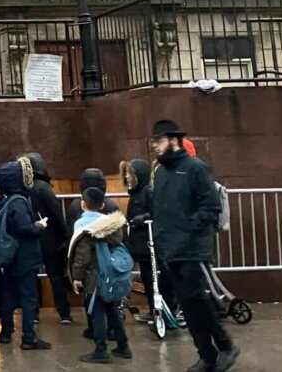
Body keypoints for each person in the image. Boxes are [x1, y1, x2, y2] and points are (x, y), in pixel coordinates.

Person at [151, 120, 240, 372]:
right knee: (188, 306)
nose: (155, 145)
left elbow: (211, 207)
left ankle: (225, 345)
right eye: (154, 141)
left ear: (174, 140)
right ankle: (206, 355)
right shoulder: (161, 173)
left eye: (159, 140)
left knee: (198, 301)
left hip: (192, 248)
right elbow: (161, 209)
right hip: (170, 250)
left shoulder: (195, 168)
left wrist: (189, 229)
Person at [68, 187, 133, 365]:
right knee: (112, 310)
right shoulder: (111, 224)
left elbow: (82, 254)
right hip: (110, 273)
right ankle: (123, 346)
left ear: (83, 204)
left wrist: (77, 277)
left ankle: (101, 349)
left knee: (97, 312)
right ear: (103, 205)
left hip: (93, 276)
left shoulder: (82, 226)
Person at [0, 160, 52, 350]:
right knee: (29, 297)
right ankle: (29, 337)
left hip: (11, 257)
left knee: (10, 295)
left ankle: (6, 332)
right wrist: (39, 226)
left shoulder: (7, 200)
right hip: (24, 257)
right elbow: (24, 229)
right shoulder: (19, 202)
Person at [19, 152, 73, 324]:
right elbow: (56, 213)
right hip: (49, 239)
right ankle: (64, 313)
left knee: (31, 278)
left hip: (30, 238)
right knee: (55, 276)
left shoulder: (21, 187)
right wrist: (64, 234)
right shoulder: (43, 187)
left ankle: (33, 314)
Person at [121, 157, 178, 321]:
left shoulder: (147, 192)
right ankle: (155, 310)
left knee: (159, 276)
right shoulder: (136, 194)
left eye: (129, 174)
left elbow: (158, 213)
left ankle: (167, 307)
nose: (127, 178)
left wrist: (143, 218)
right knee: (148, 279)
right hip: (142, 245)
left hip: (151, 243)